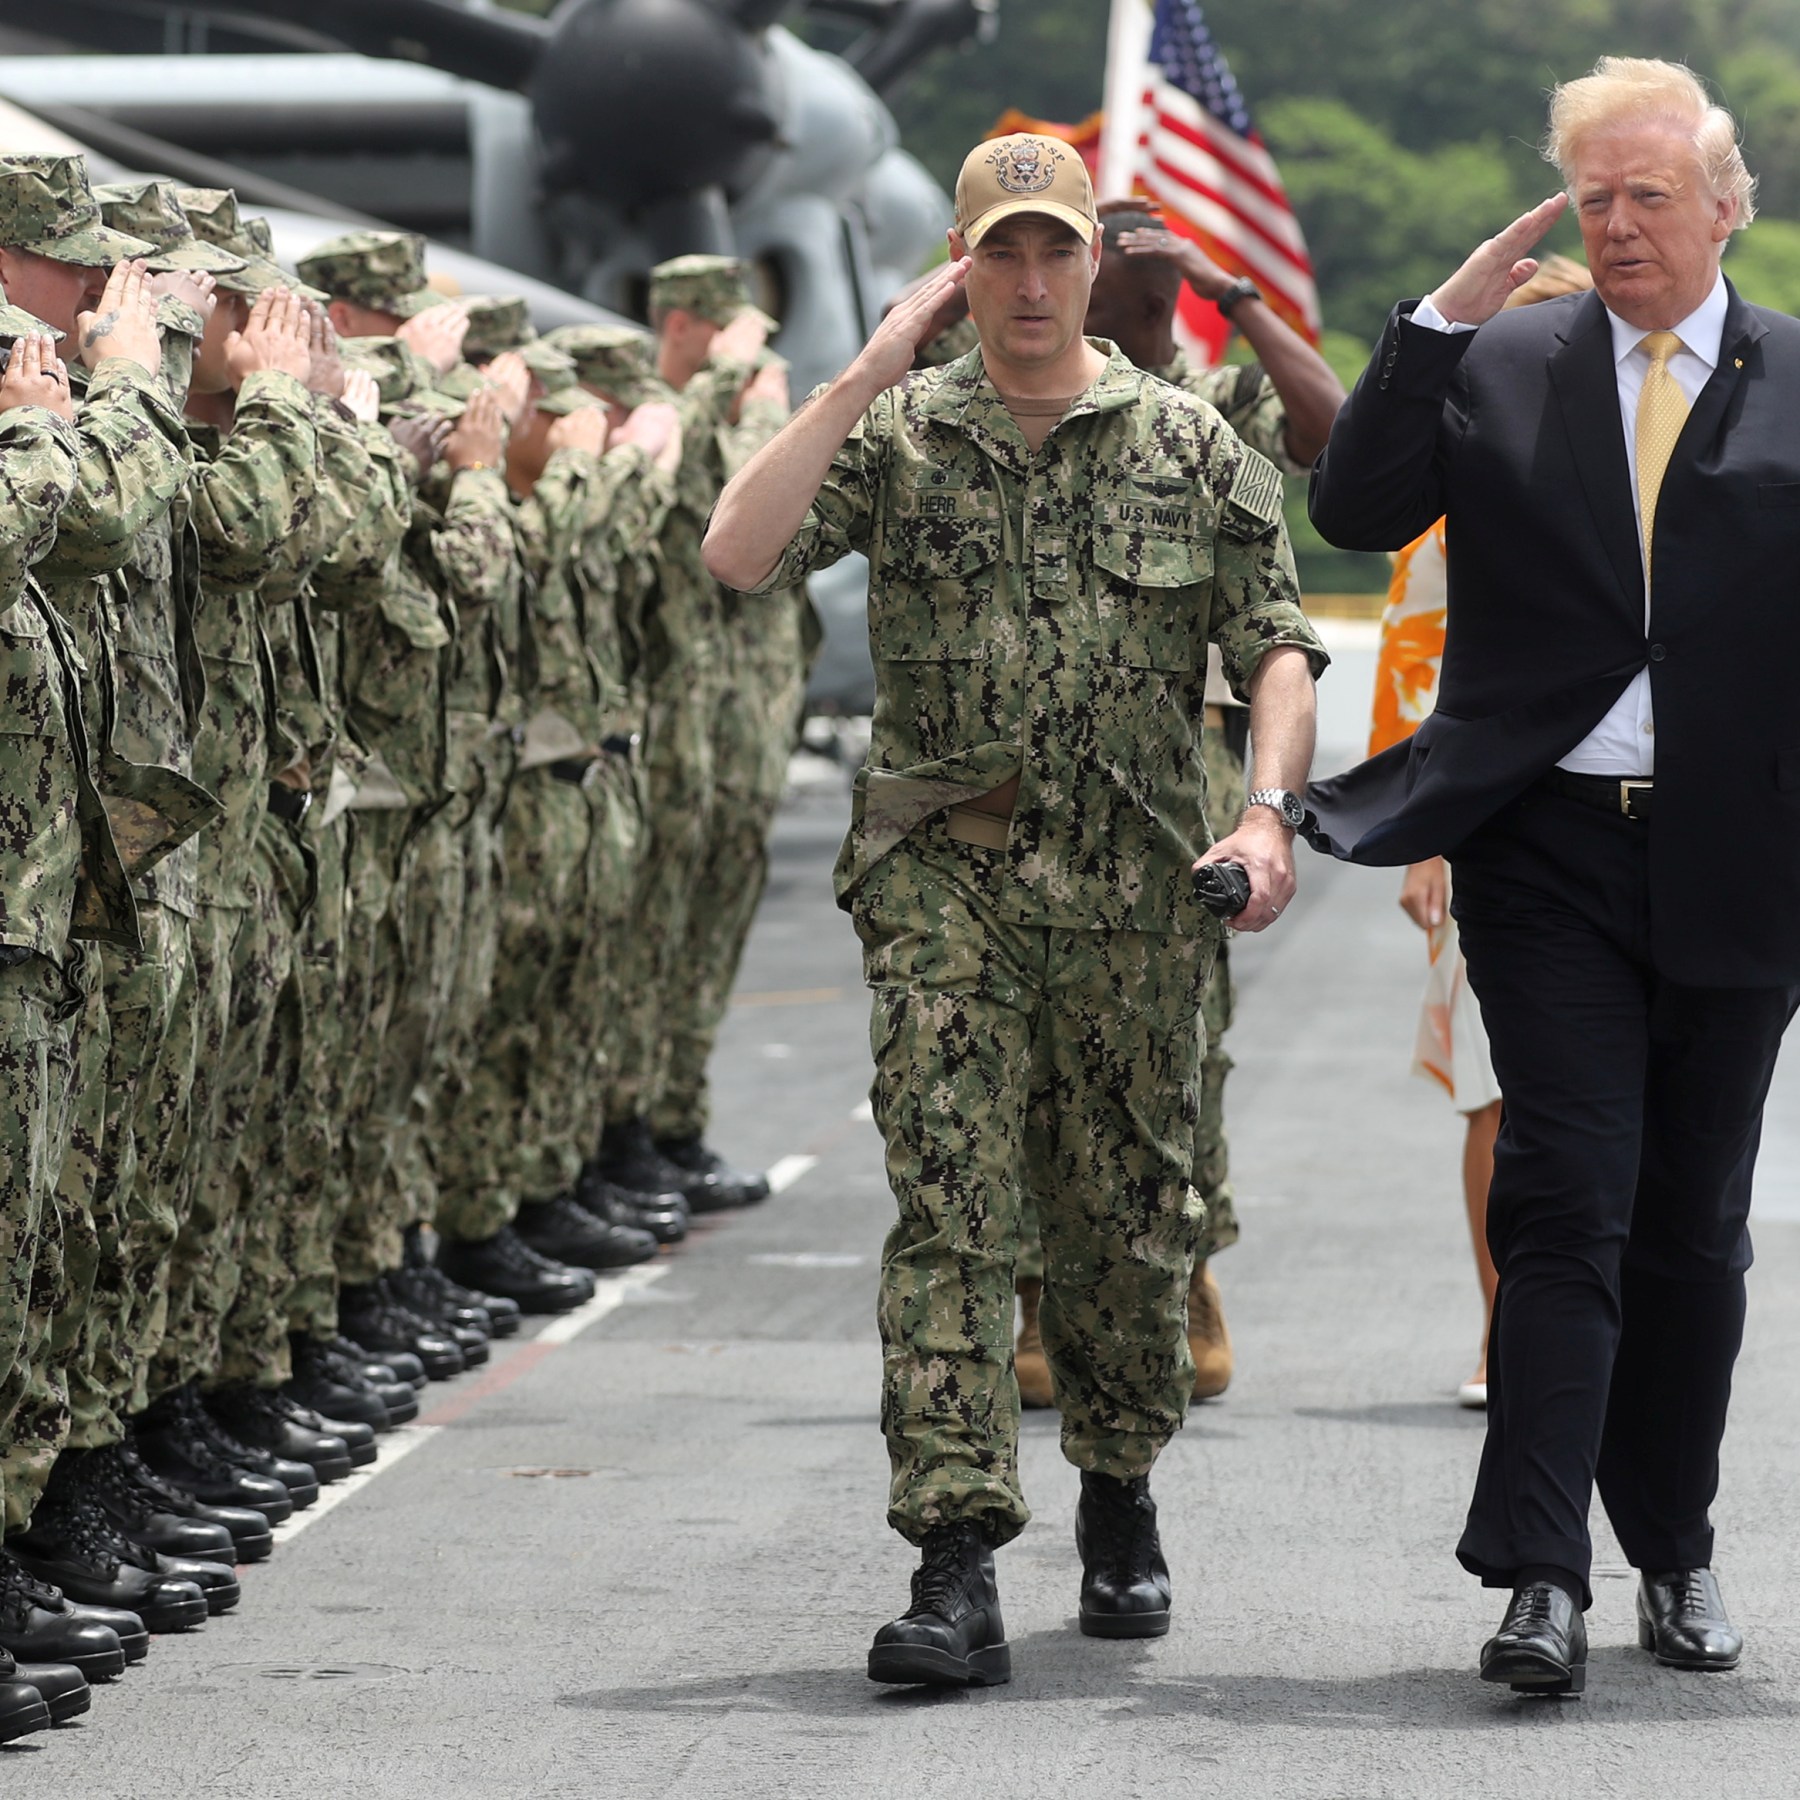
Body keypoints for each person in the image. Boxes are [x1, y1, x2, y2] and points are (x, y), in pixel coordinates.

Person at [705, 132, 1325, 1686]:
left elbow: (1275, 643)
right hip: (947, 885)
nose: (1033, 281)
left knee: (1127, 1227)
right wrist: (864, 369)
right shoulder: (903, 433)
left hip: (1136, 890)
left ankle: (1119, 1482)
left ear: (1092, 264)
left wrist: (1266, 812)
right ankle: (955, 1554)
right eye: (1003, 252)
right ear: (961, 269)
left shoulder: (1186, 440)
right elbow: (738, 551)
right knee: (954, 1213)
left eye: (1057, 250)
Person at [1306, 56, 1795, 1696]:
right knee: (1564, 1200)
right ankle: (1539, 1576)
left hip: (1740, 855)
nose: (1621, 223)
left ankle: (1674, 1547)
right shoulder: (1506, 359)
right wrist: (1437, 322)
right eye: (1595, 198)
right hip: (1549, 850)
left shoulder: (1796, 377)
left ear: (1728, 207)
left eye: (1652, 195)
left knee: (1693, 1231)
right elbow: (1356, 502)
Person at [1005, 199, 1348, 1407]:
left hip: (1181, 758)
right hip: (1030, 757)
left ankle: (1185, 1267)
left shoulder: (1211, 406)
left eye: (1145, 280)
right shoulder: (1018, 396)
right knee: (1034, 1035)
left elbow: (1335, 432)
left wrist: (1231, 288)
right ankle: (1041, 1288)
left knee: (1179, 1032)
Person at [1371, 255, 1595, 1411]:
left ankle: (1602, 1332)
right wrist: (1427, 840)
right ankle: (1508, 1331)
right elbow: (1416, 667)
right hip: (1492, 833)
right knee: (1496, 1096)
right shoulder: (1459, 492)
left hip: (1638, 827)